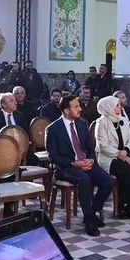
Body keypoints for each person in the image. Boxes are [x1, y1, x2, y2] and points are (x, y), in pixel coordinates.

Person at [46, 94, 112, 236]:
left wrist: (91, 160)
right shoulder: (53, 128)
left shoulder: (82, 124)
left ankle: (91, 214)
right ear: (66, 110)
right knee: (84, 179)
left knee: (108, 181)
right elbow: (53, 157)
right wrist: (73, 163)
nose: (80, 109)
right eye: (76, 106)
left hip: (86, 163)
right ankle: (90, 222)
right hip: (66, 167)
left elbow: (90, 148)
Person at [92, 96, 130, 219]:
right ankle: (121, 206)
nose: (120, 107)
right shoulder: (101, 122)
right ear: (109, 107)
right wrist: (120, 154)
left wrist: (126, 151)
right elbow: (103, 146)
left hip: (125, 155)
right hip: (109, 159)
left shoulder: (123, 119)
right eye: (117, 105)